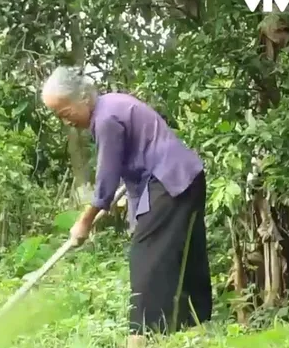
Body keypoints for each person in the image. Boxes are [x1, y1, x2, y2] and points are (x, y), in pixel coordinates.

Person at [41, 66, 212, 347]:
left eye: (65, 112)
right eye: (58, 116)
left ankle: (140, 335)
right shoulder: (113, 104)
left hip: (171, 180)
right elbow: (131, 170)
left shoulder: (106, 118)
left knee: (145, 256)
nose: (65, 121)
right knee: (185, 249)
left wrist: (85, 220)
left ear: (82, 99)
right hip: (186, 177)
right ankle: (196, 325)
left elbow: (106, 178)